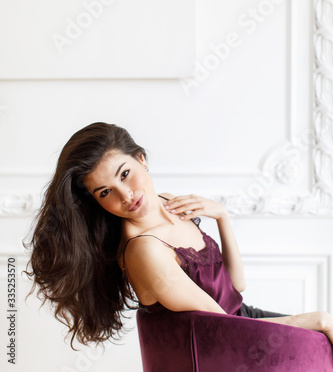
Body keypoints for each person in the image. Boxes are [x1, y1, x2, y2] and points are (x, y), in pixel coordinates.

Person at [24, 122, 333, 350]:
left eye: (125, 174)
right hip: (224, 345)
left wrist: (222, 216)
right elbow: (224, 323)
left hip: (242, 318)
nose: (126, 195)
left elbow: (235, 288)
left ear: (141, 159)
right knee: (324, 329)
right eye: (106, 192)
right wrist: (318, 321)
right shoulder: (143, 250)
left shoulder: (169, 203)